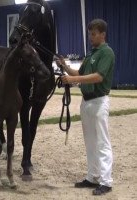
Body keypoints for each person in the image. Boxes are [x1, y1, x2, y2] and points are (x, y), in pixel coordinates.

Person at [56, 19, 115, 195]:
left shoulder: (106, 52)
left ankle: (106, 181)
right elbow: (80, 74)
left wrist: (73, 80)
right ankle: (93, 176)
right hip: (87, 101)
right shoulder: (91, 54)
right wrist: (65, 66)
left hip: (99, 101)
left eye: (93, 34)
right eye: (89, 34)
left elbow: (98, 77)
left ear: (102, 34)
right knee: (90, 142)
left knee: (102, 142)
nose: (90, 37)